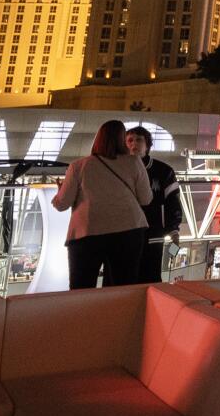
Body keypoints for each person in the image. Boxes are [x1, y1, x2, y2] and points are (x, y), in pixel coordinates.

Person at [51, 120, 152, 289]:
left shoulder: (79, 166)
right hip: (129, 231)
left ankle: (84, 315)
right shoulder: (134, 162)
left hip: (87, 233)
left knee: (82, 287)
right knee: (122, 287)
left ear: (98, 138)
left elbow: (62, 204)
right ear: (122, 139)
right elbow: (145, 199)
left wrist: (60, 192)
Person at [125, 125, 182, 283]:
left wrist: (174, 230)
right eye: (129, 140)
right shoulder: (119, 169)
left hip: (153, 234)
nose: (133, 144)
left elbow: (173, 203)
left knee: (150, 277)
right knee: (125, 277)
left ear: (148, 144)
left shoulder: (163, 171)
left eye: (139, 140)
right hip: (124, 233)